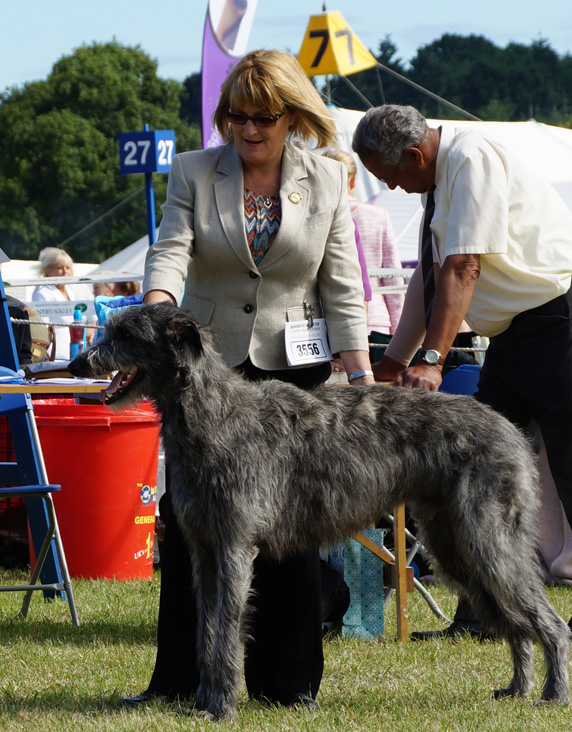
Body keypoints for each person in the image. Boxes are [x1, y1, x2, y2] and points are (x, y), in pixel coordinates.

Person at [123, 49, 373, 711]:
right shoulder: (194, 172)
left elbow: (342, 284)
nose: (248, 129)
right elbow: (172, 248)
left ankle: (287, 684)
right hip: (207, 370)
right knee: (194, 529)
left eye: (263, 117)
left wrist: (362, 373)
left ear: (293, 117)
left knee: (291, 530)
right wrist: (157, 309)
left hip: (296, 372)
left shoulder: (326, 179)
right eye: (236, 116)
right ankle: (180, 678)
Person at [352, 103, 572, 642]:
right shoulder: (438, 179)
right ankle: (484, 613)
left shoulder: (472, 157)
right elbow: (430, 284)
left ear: (415, 154)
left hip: (562, 315)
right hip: (514, 334)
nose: (393, 189)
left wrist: (434, 360)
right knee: (471, 467)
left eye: (390, 176)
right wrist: (392, 363)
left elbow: (465, 267)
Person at [323, 149, 403, 336]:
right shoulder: (378, 216)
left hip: (330, 321)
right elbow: (393, 279)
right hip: (378, 321)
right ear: (353, 180)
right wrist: (399, 332)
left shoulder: (314, 218)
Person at [31, 247, 78, 360]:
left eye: (68, 268)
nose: (65, 272)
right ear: (48, 270)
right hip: (54, 353)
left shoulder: (71, 292)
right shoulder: (42, 293)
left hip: (74, 350)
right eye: (60, 268)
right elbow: (42, 329)